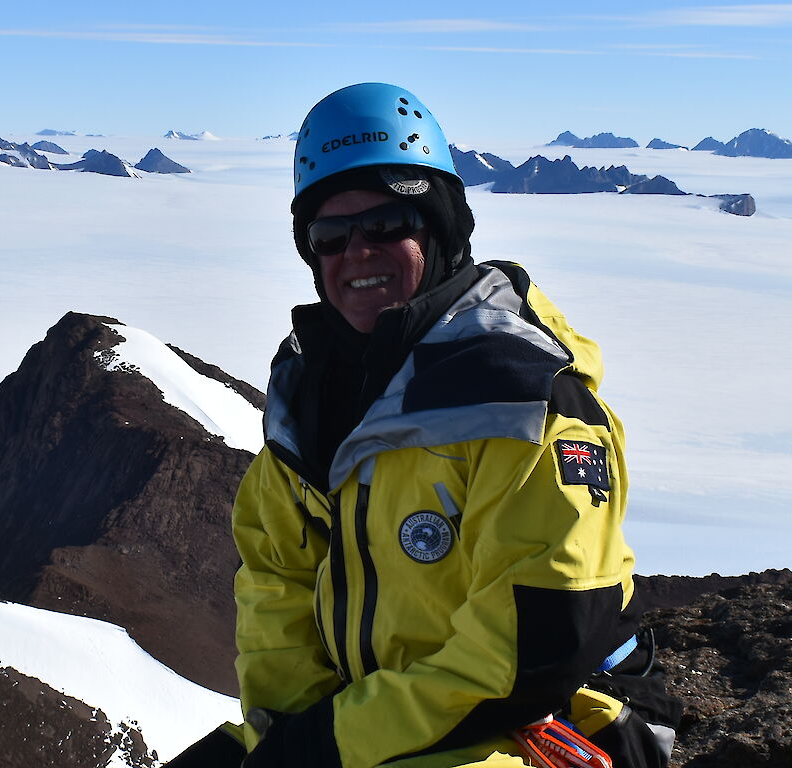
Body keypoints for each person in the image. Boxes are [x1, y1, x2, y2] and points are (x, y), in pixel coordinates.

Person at [169, 83, 677, 768]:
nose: (357, 253)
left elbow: (533, 646)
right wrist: (293, 737)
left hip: (524, 725)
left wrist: (329, 744)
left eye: (385, 226)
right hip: (372, 723)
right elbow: (275, 599)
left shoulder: (524, 403)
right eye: (329, 236)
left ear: (437, 229)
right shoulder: (306, 412)